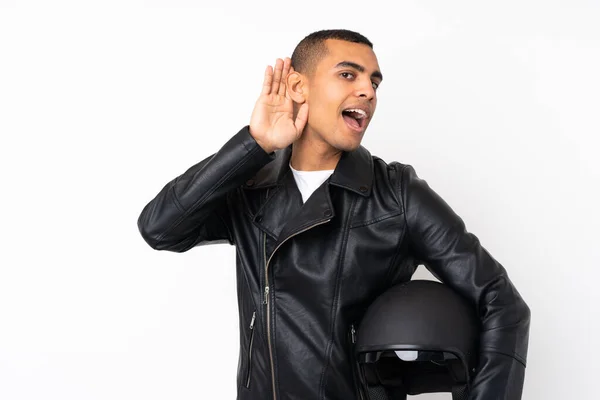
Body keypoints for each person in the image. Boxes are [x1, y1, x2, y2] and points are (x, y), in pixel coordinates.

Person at [137, 29, 531, 400]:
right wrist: (254, 144)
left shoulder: (397, 194)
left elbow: (502, 302)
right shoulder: (250, 187)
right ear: (297, 86)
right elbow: (160, 228)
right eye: (348, 74)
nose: (368, 91)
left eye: (374, 82)